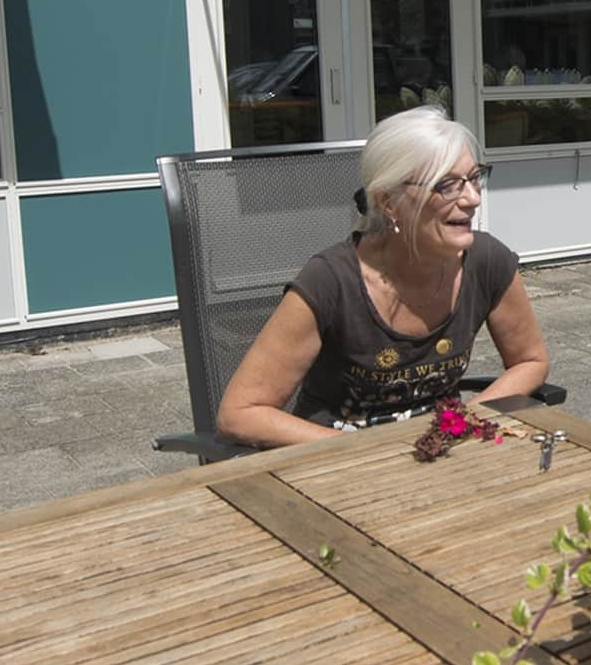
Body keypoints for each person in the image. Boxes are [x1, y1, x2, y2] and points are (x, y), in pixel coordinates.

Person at [217, 105, 550, 448]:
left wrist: (463, 420)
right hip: (338, 462)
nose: (473, 198)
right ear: (389, 202)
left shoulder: (486, 261)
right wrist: (366, 453)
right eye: (447, 185)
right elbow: (240, 413)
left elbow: (530, 360)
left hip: (436, 455)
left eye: (474, 177)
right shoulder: (331, 282)